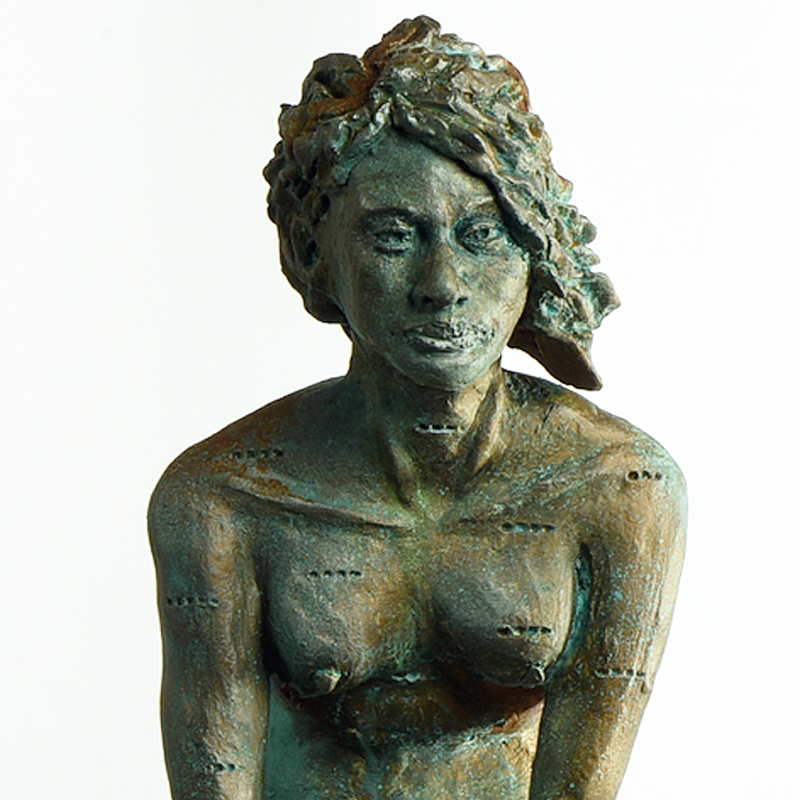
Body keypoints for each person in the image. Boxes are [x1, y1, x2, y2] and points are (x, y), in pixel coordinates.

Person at [149, 17, 686, 800]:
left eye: (482, 235)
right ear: (312, 255)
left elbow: (579, 784)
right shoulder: (223, 499)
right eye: (394, 236)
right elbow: (214, 771)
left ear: (533, 252)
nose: (443, 285)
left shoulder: (619, 487)